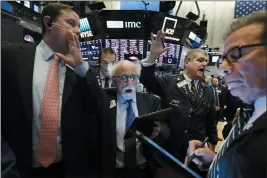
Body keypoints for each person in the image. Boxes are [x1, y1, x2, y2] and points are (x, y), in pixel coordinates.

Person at [1, 2, 107, 178]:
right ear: (49, 23)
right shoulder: (10, 57)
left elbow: (98, 107)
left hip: (67, 169)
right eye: (71, 23)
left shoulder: (79, 71)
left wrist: (81, 67)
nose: (78, 31)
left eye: (79, 26)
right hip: (19, 169)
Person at [185, 11, 267, 178]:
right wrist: (217, 163)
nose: (222, 68)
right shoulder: (250, 110)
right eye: (222, 59)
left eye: (235, 54)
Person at [140, 31, 218, 174]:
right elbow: (147, 80)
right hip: (171, 149)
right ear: (187, 62)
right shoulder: (169, 82)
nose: (205, 63)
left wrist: (212, 143)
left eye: (206, 61)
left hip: (197, 150)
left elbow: (211, 120)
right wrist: (152, 57)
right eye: (200, 60)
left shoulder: (207, 90)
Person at [102, 60, 169, 178]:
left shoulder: (151, 101)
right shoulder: (103, 102)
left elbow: (165, 128)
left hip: (144, 169)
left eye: (133, 77)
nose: (129, 82)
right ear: (113, 79)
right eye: (123, 77)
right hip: (114, 171)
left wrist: (159, 132)